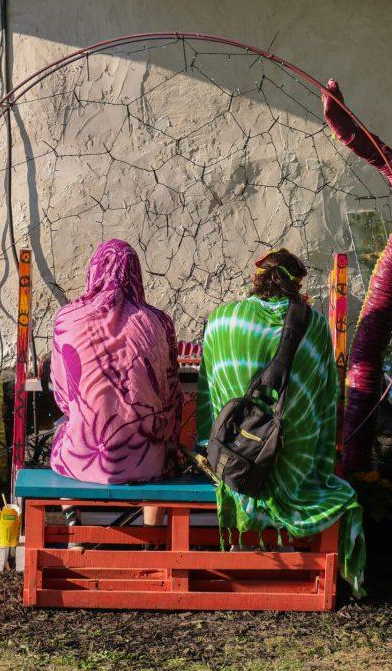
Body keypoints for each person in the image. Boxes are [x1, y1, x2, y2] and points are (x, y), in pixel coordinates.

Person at [196, 248, 366, 596]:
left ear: (257, 279)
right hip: (292, 462)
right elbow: (325, 398)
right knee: (325, 481)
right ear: (297, 284)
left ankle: (244, 540)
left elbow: (208, 393)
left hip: (234, 463)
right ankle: (286, 544)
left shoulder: (222, 319)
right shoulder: (316, 325)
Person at [50, 239, 183, 485]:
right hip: (146, 460)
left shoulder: (66, 319)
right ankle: (152, 524)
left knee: (64, 434)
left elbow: (63, 398)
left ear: (94, 271)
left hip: (80, 458)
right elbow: (170, 395)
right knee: (163, 443)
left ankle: (71, 518)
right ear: (136, 273)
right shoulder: (159, 322)